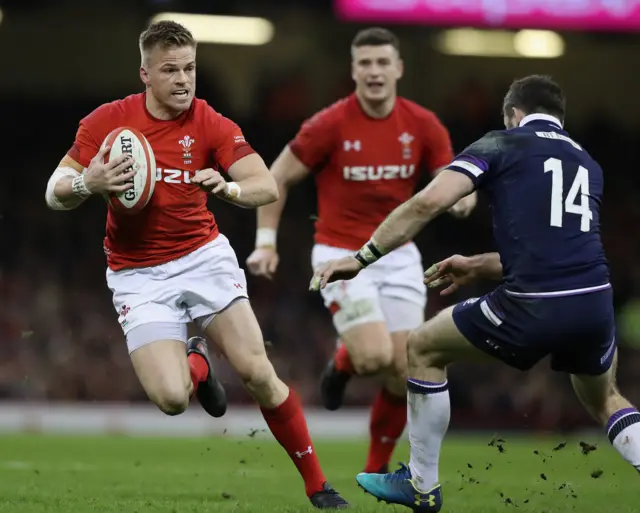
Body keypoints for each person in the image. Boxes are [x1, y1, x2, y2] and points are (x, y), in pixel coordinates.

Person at [44, 20, 348, 509]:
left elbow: (266, 185)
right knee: (171, 399)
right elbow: (54, 191)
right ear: (145, 73)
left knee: (257, 371)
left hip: (201, 256)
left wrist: (227, 189)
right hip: (137, 274)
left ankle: (318, 485)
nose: (184, 80)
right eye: (170, 70)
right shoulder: (108, 122)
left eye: (190, 68)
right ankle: (198, 367)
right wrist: (88, 183)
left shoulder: (210, 122)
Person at [311, 75, 640, 511]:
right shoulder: (587, 163)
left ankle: (422, 484)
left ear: (513, 114)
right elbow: (553, 252)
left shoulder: (503, 143)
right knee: (606, 400)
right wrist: (476, 264)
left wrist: (362, 257)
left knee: (423, 346)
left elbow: (428, 203)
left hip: (532, 304)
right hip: (594, 302)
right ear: (560, 118)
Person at [246, 27, 475, 474]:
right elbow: (277, 178)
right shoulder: (328, 124)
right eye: (365, 63)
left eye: (382, 62)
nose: (374, 71)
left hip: (399, 255)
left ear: (398, 69)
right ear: (353, 71)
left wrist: (464, 200)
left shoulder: (423, 125)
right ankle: (343, 362)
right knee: (373, 357)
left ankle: (374, 472)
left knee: (402, 368)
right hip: (337, 254)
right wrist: (265, 242)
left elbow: (453, 180)